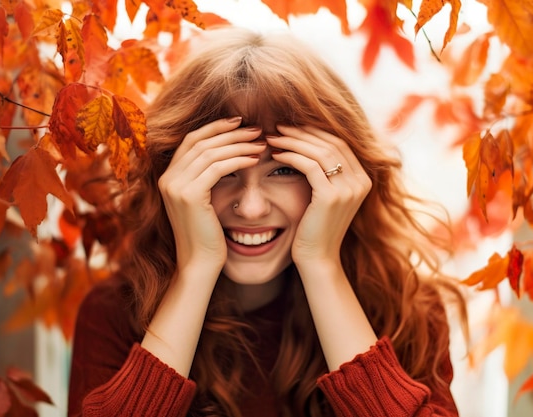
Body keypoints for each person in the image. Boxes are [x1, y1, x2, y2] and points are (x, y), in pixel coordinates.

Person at [67, 26, 467, 417]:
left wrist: (322, 266)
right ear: (171, 180)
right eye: (222, 171)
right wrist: (196, 269)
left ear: (340, 177)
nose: (253, 208)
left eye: (283, 171)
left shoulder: (408, 312)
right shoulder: (114, 315)